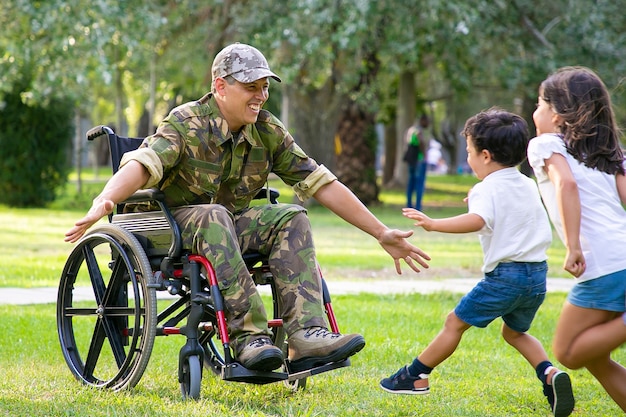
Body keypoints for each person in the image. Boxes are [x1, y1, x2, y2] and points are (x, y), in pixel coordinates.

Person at [65, 43, 430, 374]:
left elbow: (322, 184)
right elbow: (142, 164)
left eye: (265, 87)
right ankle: (248, 338)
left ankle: (305, 335)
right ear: (221, 87)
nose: (261, 96)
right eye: (251, 87)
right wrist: (106, 198)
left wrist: (381, 232)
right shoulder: (186, 122)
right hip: (163, 224)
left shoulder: (267, 130)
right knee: (215, 216)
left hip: (223, 224)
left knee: (291, 216)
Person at [380, 108, 575, 417]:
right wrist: (478, 194)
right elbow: (506, 210)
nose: (468, 158)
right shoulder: (527, 184)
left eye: (469, 152)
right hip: (537, 277)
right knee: (514, 333)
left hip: (506, 277)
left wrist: (433, 224)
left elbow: (478, 220)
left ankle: (415, 375)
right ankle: (549, 373)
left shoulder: (487, 189)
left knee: (454, 323)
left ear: (485, 155)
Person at [527, 66, 626, 412]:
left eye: (539, 103)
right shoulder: (607, 154)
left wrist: (572, 246)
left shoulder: (545, 144)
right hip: (622, 259)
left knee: (568, 352)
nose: (534, 111)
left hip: (602, 264)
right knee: (595, 357)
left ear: (557, 114)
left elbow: (565, 185)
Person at [403, 114, 429, 210]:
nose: (428, 124)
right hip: (419, 160)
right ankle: (418, 206)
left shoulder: (410, 130)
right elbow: (420, 141)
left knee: (411, 183)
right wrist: (424, 155)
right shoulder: (419, 131)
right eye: (427, 121)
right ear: (422, 121)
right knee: (419, 184)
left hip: (411, 161)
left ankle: (409, 204)